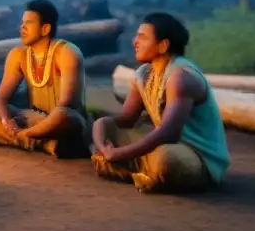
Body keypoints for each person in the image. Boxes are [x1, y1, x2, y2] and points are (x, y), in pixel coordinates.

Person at [90, 12, 230, 193]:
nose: (134, 42)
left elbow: (169, 133)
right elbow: (125, 120)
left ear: (163, 46)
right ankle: (137, 168)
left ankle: (129, 167)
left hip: (195, 156)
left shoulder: (181, 77)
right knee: (104, 126)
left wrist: (121, 153)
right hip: (163, 146)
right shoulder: (142, 75)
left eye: (142, 37)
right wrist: (105, 146)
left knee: (167, 159)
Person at [0, 0, 89, 158]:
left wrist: (25, 128)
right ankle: (40, 144)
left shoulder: (66, 52)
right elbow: (0, 99)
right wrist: (7, 121)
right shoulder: (18, 55)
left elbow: (66, 102)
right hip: (32, 118)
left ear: (45, 28)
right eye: (22, 23)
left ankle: (11, 137)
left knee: (61, 115)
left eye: (29, 23)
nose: (22, 27)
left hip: (62, 121)